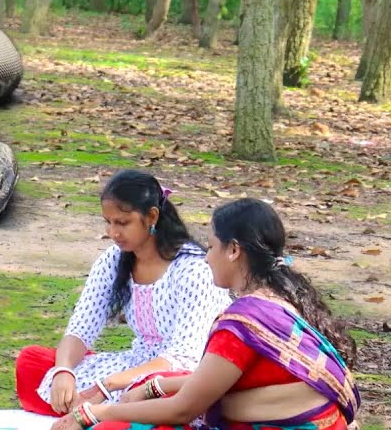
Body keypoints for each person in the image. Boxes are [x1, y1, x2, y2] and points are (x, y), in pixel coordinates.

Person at [48, 198, 360, 430]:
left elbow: (182, 410)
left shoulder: (242, 322)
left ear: (233, 250)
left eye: (211, 247)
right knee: (152, 384)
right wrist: (154, 386)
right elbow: (218, 380)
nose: (207, 258)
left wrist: (90, 414)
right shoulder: (277, 301)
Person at [15, 170, 231, 415]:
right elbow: (81, 329)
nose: (113, 233)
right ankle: (100, 413)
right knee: (32, 362)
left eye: (122, 223)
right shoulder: (114, 259)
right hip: (132, 366)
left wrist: (107, 385)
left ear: (152, 217)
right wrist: (63, 371)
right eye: (108, 222)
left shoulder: (193, 269)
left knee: (154, 396)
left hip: (175, 378)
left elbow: (183, 358)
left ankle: (103, 413)